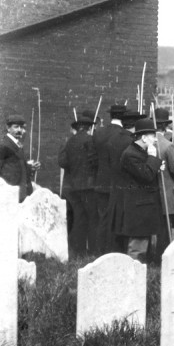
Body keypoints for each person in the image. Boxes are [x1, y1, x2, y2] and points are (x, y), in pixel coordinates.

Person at [115, 118, 164, 262]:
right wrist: (153, 157)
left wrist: (156, 165)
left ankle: (144, 275)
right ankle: (133, 276)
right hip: (138, 208)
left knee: (145, 246)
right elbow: (147, 175)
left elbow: (147, 170)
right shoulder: (130, 154)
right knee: (137, 247)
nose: (155, 139)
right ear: (143, 138)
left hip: (145, 205)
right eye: (152, 136)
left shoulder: (139, 152)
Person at [58, 115, 98, 257]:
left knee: (79, 218)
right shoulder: (91, 140)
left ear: (78, 127)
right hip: (89, 186)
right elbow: (94, 161)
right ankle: (93, 250)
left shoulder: (70, 142)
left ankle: (77, 251)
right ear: (88, 127)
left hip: (74, 186)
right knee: (93, 219)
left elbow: (63, 162)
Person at [107, 110, 145, 252]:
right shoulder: (133, 142)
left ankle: (116, 251)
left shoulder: (113, 139)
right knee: (129, 223)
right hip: (131, 187)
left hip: (116, 185)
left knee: (118, 222)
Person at [94, 104, 127, 253]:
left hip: (101, 181)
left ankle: (100, 249)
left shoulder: (98, 133)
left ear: (110, 116)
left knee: (102, 217)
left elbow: (93, 158)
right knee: (116, 217)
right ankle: (113, 250)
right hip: (118, 183)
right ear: (123, 117)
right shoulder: (124, 135)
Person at [154, 107, 174, 257]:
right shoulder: (168, 145)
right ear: (165, 125)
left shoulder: (144, 142)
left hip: (149, 192)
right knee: (164, 230)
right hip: (165, 191)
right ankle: (162, 257)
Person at [0, 114, 40, 202]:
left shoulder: (16, 144)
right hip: (13, 193)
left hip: (22, 191)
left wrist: (29, 167)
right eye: (16, 127)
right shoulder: (3, 146)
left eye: (22, 127)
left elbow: (14, 165)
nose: (20, 130)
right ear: (8, 128)